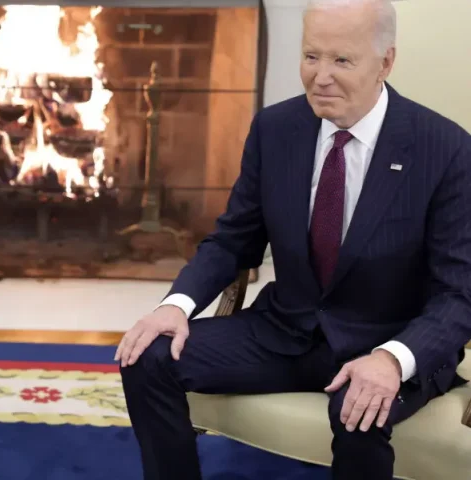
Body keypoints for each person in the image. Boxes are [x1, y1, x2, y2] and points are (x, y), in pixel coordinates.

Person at [116, 0, 471, 479]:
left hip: (387, 341)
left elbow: (458, 292)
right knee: (147, 356)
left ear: (385, 62)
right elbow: (233, 240)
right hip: (285, 331)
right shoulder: (275, 129)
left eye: (341, 60)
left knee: (359, 410)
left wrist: (393, 359)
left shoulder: (446, 149)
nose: (321, 77)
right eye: (311, 56)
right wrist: (175, 306)